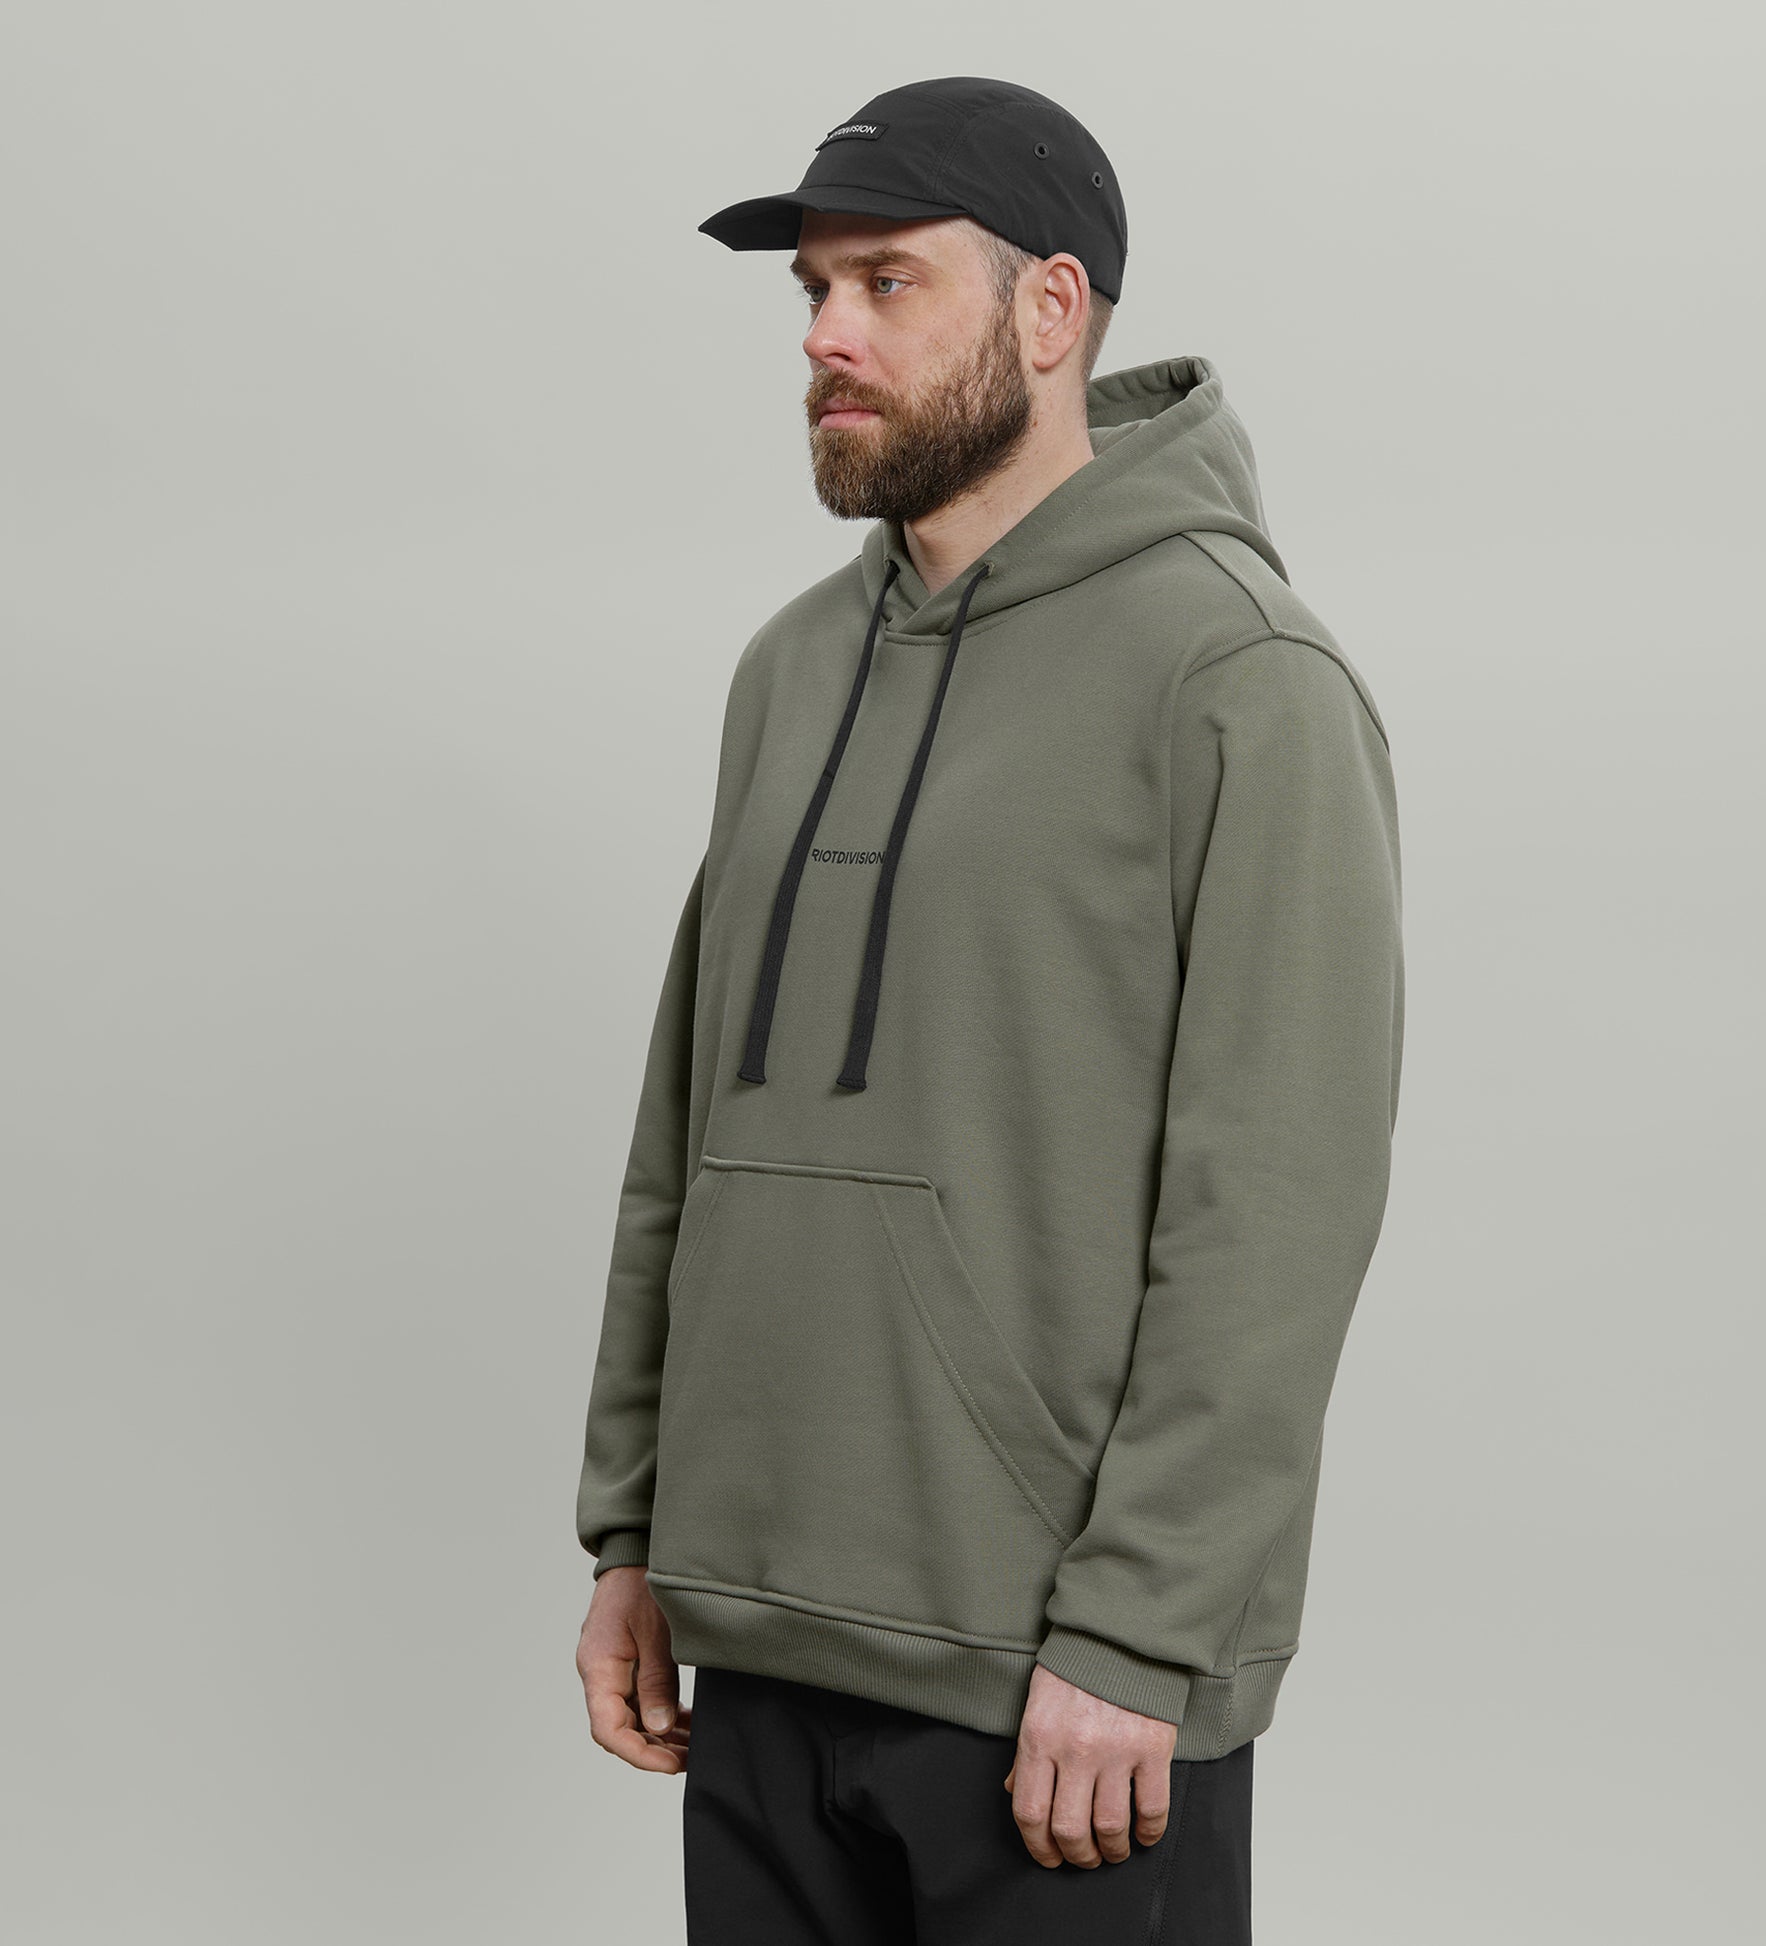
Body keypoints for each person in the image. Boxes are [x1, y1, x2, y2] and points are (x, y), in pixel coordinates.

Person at [572, 74, 1404, 1945]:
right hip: (758, 1638)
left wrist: (1142, 1630)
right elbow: (682, 1138)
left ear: (1049, 308)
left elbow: (1276, 1214)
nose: (825, 335)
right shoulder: (789, 668)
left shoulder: (1238, 677)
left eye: (885, 282)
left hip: (1059, 1692)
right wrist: (637, 1528)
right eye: (811, 291)